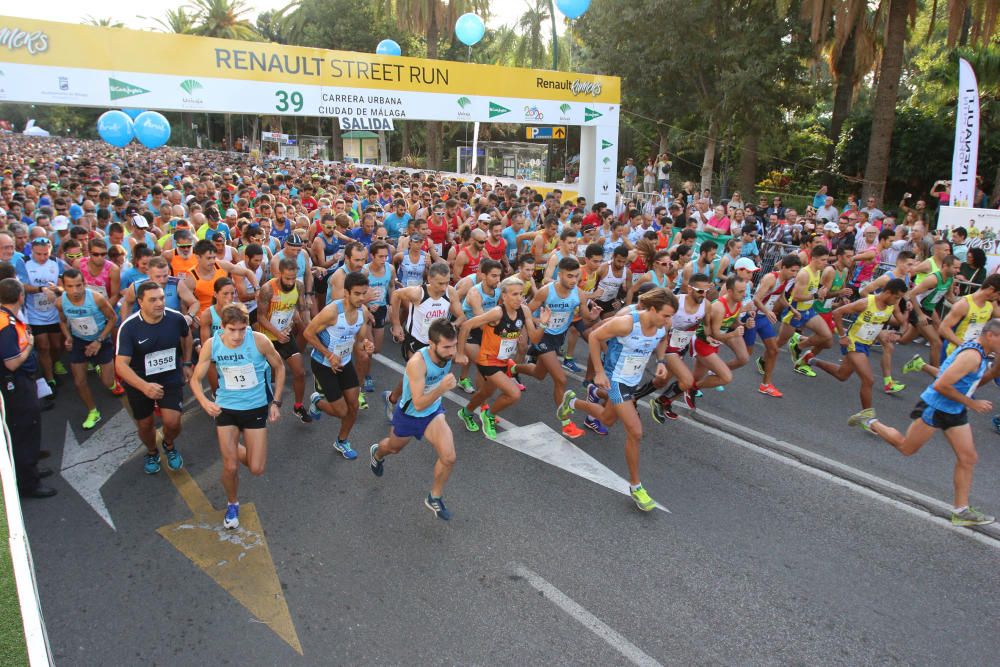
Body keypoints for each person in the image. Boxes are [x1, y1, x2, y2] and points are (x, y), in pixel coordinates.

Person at [849, 319, 1000, 527]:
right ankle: (870, 420)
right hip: (937, 407)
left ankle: (961, 511)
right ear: (991, 336)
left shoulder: (981, 352)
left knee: (968, 458)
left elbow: (986, 376)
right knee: (906, 447)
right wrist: (972, 403)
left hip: (954, 409)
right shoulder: (972, 357)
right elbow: (941, 385)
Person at [556, 288, 677, 511]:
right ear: (652, 309)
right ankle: (636, 486)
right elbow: (594, 336)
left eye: (670, 316)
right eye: (666, 315)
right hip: (616, 379)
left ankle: (571, 403)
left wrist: (661, 362)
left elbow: (662, 340)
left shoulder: (662, 325)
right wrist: (599, 372)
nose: (669, 320)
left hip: (633, 379)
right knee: (636, 431)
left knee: (606, 418)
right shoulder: (627, 323)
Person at [189, 303, 285, 529]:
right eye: (232, 330)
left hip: (255, 408)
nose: (238, 335)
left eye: (242, 329)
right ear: (222, 327)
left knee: (256, 468)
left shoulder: (260, 341)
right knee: (230, 466)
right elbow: (195, 379)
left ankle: (231, 447)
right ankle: (232, 503)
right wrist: (204, 402)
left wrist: (276, 402)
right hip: (226, 409)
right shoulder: (213, 345)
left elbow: (279, 367)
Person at [369, 318, 460, 521]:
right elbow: (418, 403)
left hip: (433, 414)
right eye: (446, 347)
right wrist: (442, 388)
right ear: (431, 343)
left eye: (454, 346)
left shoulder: (449, 353)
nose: (451, 352)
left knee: (449, 457)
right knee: (393, 448)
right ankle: (377, 453)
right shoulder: (417, 363)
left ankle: (434, 497)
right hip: (411, 414)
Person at [517, 256, 600, 438]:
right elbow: (526, 312)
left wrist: (593, 315)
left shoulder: (578, 293)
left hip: (558, 337)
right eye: (569, 276)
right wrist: (540, 321)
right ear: (560, 274)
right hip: (543, 336)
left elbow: (585, 317)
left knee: (539, 374)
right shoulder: (546, 292)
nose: (573, 280)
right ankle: (566, 423)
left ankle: (513, 367)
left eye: (576, 276)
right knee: (561, 380)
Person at [115, 282, 193, 475]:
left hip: (170, 376)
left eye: (162, 298)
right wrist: (144, 386)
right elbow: (121, 365)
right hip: (139, 381)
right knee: (145, 424)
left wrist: (187, 363)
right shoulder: (129, 327)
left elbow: (187, 336)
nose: (159, 303)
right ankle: (151, 451)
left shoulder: (175, 318)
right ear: (140, 302)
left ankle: (168, 444)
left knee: (173, 422)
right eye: (153, 300)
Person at [454, 276, 546, 439]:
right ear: (504, 296)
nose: (519, 298)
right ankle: (488, 415)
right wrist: (460, 353)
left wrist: (544, 324)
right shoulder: (497, 313)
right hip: (488, 360)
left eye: (521, 294)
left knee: (484, 393)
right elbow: (467, 325)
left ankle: (466, 412)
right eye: (514, 294)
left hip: (503, 360)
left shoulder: (524, 311)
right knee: (513, 394)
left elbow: (535, 338)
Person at [304, 271, 375, 459]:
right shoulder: (332, 312)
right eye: (357, 294)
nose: (361, 298)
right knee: (342, 411)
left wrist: (366, 344)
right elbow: (308, 334)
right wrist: (328, 354)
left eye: (364, 293)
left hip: (344, 362)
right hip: (323, 364)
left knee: (354, 407)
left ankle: (341, 441)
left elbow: (359, 340)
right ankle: (317, 401)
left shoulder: (363, 312)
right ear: (346, 293)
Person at [809, 280, 907, 414]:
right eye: (897, 297)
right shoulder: (866, 303)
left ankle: (811, 360)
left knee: (841, 375)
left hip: (866, 344)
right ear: (888, 292)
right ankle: (867, 417)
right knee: (869, 380)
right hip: (853, 343)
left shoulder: (892, 305)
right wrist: (842, 336)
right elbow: (837, 312)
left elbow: (901, 322)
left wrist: (898, 333)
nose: (898, 300)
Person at [383, 262, 464, 418]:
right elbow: (396, 295)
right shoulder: (418, 293)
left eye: (447, 282)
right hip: (416, 343)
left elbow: (461, 316)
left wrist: (450, 327)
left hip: (438, 345)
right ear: (429, 279)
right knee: (418, 376)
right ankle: (405, 410)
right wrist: (396, 324)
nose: (444, 287)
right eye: (440, 283)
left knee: (418, 378)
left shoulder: (450, 292)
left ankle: (392, 398)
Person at [0, 279, 55, 498]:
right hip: (16, 383)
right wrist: (30, 345)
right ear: (21, 296)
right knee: (25, 430)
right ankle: (28, 483)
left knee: (26, 429)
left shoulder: (6, 318)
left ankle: (30, 469)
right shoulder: (6, 324)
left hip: (20, 382)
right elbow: (12, 362)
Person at [55, 268, 122, 430]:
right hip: (79, 341)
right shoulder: (60, 302)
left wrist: (99, 340)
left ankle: (112, 384)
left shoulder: (96, 299)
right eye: (70, 286)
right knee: (79, 381)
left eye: (78, 285)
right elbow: (62, 321)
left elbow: (113, 318)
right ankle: (93, 411)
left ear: (84, 284)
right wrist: (68, 337)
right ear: (64, 286)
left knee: (107, 381)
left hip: (101, 339)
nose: (75, 290)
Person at [256, 258, 313, 422]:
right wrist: (276, 333)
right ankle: (260, 409)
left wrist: (306, 328)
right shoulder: (268, 289)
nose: (290, 282)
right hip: (268, 339)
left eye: (293, 278)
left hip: (286, 336)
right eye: (287, 278)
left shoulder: (299, 286)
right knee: (268, 378)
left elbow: (302, 310)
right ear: (280, 274)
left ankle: (298, 406)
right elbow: (260, 317)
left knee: (299, 372)